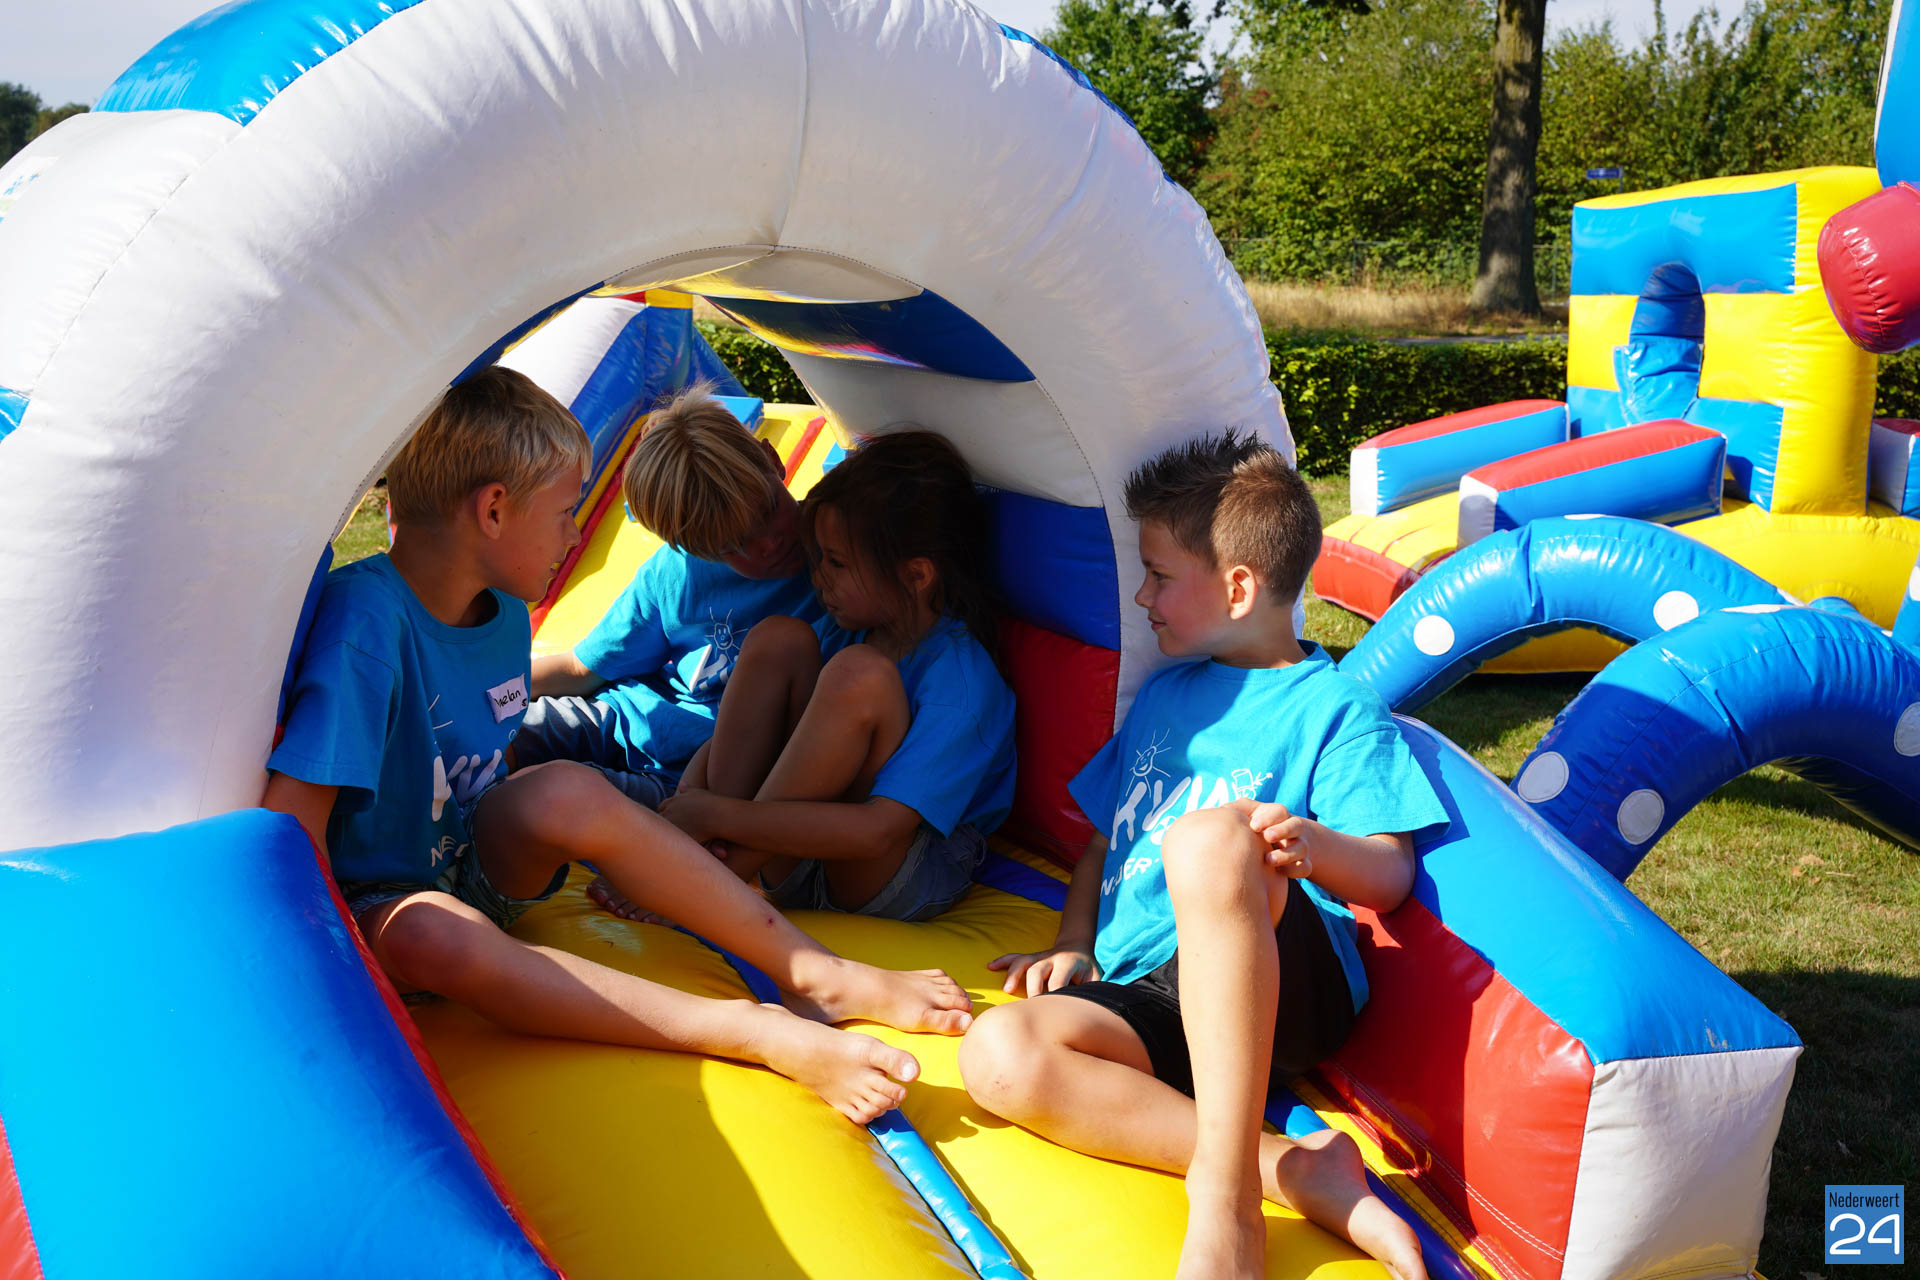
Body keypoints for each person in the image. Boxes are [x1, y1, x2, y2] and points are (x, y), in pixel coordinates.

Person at [262, 366, 972, 1127]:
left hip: (466, 860)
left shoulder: (501, 615)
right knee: (435, 926)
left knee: (565, 786)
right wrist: (315, 988)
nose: (577, 534)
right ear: (494, 511)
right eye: (568, 511)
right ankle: (754, 1032)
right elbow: (290, 829)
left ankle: (814, 970)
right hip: (383, 910)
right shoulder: (368, 624)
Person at [956, 431, 1446, 1280]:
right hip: (1159, 991)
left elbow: (1391, 871)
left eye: (1159, 575)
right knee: (998, 1054)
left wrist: (1315, 846)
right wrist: (1074, 942)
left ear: (1239, 587)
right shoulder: (1166, 695)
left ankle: (1225, 1204)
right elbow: (1103, 842)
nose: (1141, 596)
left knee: (1213, 838)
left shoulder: (1333, 709)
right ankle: (1288, 1169)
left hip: (1277, 982)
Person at [658, 430, 1015, 923]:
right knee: (778, 638)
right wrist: (691, 801)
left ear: (916, 576)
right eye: (819, 556)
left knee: (860, 674)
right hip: (795, 850)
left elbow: (877, 831)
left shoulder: (962, 683)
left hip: (892, 870)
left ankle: (707, 879)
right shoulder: (845, 630)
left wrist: (718, 815)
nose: (817, 576)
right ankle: (703, 857)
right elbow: (737, 736)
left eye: (836, 562)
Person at [510, 382, 821, 918]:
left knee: (544, 793)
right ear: (689, 546)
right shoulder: (677, 571)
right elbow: (583, 667)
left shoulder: (840, 567)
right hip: (618, 718)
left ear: (774, 462)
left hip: (689, 780)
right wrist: (484, 686)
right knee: (491, 737)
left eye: (768, 512)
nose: (766, 544)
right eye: (732, 546)